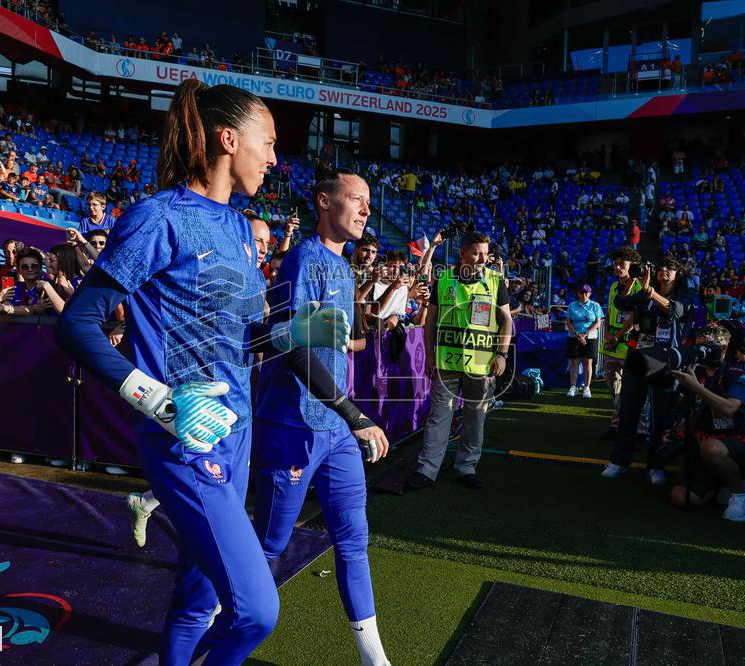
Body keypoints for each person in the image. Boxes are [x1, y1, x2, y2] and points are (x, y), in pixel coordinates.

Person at [55, 80, 348, 665]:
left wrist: (295, 332)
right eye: (267, 143)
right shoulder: (157, 217)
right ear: (228, 138)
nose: (273, 157)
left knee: (197, 602)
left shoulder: (242, 230)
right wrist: (161, 402)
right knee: (257, 611)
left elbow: (244, 337)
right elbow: (77, 325)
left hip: (237, 438)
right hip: (185, 442)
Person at [252, 168, 392, 666]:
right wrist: (355, 413)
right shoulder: (300, 261)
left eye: (368, 203)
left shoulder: (347, 268)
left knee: (354, 539)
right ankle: (202, 620)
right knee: (268, 544)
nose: (365, 210)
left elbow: (328, 345)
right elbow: (289, 345)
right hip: (292, 426)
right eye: (356, 199)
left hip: (334, 432)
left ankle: (374, 657)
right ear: (324, 202)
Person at [408, 231, 513, 491]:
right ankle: (426, 470)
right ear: (463, 253)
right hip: (446, 363)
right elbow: (430, 320)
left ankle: (466, 467)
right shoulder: (443, 279)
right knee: (438, 418)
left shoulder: (495, 280)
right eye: (477, 253)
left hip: (482, 364)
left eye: (485, 253)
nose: (482, 258)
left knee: (475, 418)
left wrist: (502, 354)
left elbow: (506, 320)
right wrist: (430, 355)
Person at [603, 255, 693, 485]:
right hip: (639, 355)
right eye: (661, 266)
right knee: (628, 409)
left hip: (666, 359)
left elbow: (675, 310)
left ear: (678, 273)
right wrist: (633, 282)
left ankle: (656, 465)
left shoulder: (684, 296)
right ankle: (620, 461)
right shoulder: (644, 293)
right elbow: (620, 304)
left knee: (661, 415)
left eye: (670, 267)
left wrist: (650, 291)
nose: (663, 270)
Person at [669, 324, 745, 522]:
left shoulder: (737, 375)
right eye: (698, 346)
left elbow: (729, 408)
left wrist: (696, 388)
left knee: (711, 448)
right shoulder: (694, 372)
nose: (700, 352)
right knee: (680, 498)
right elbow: (682, 409)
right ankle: (719, 483)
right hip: (701, 444)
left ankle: (740, 495)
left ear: (722, 348)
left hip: (738, 445)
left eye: (706, 347)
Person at [599, 246, 643, 440]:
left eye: (622, 264)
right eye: (616, 264)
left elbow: (634, 317)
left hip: (629, 345)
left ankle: (640, 431)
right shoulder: (613, 286)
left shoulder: (640, 286)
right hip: (611, 346)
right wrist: (608, 333)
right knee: (615, 392)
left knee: (634, 391)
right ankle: (616, 426)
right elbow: (609, 311)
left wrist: (617, 337)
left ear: (631, 265)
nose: (618, 268)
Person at [565, 284, 604, 398]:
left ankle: (587, 387)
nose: (584, 294)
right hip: (574, 336)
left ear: (590, 293)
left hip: (590, 337)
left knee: (588, 362)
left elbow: (597, 322)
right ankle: (573, 386)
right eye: (581, 292)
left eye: (586, 292)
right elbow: (568, 322)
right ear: (578, 293)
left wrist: (585, 334)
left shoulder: (595, 306)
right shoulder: (572, 306)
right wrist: (577, 335)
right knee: (574, 362)